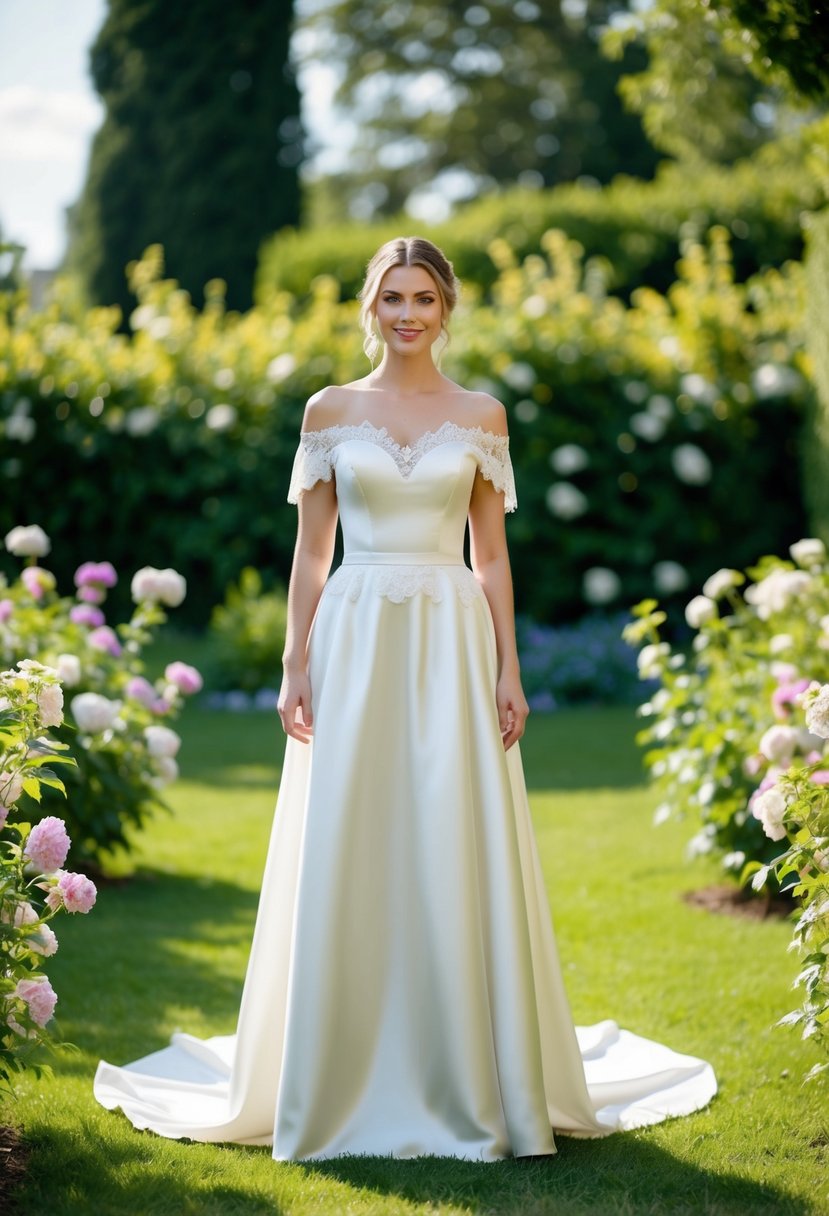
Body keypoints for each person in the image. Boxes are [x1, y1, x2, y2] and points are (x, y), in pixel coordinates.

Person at [94, 236, 716, 1161]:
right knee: (353, 830)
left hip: (450, 636)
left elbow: (492, 556)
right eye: (393, 296)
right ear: (369, 306)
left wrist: (509, 669)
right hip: (355, 633)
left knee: (449, 829)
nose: (408, 312)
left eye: (424, 296)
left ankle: (467, 1064)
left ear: (446, 307)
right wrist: (291, 661)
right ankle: (339, 1066)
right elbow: (311, 552)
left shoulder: (482, 414)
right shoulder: (330, 409)